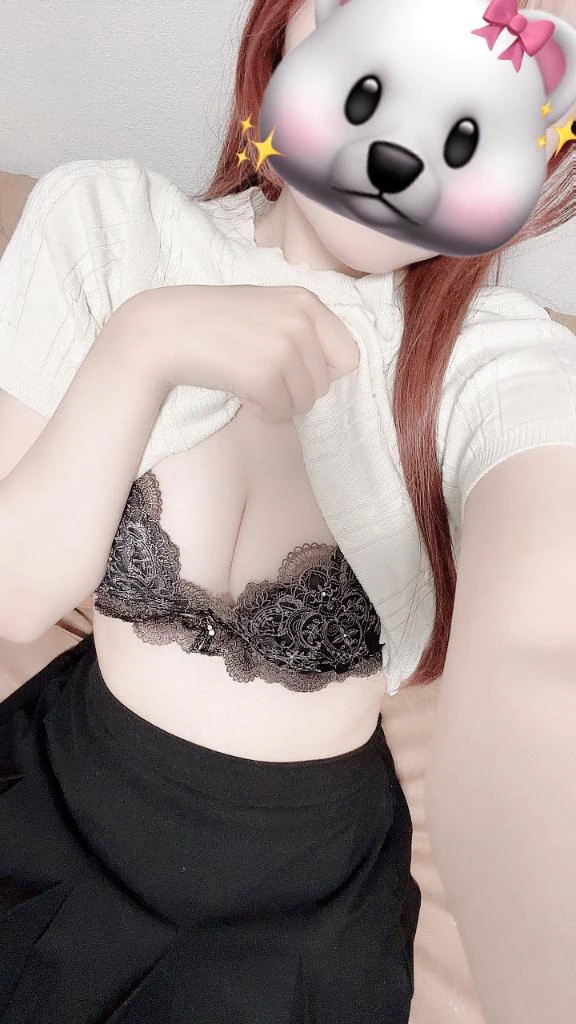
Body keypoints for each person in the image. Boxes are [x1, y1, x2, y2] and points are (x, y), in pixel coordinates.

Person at [0, 0, 574, 1022]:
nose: (402, 156)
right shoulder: (107, 228)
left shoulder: (498, 363)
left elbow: (541, 665)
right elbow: (14, 593)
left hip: (298, 902)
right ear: (303, 23)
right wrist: (140, 348)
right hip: (57, 792)